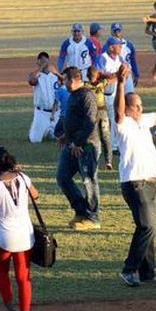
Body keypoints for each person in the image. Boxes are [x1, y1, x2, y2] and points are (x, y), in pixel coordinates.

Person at [114, 63, 156, 286]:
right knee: (146, 226)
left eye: (141, 106)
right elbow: (118, 111)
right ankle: (129, 270)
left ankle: (148, 273)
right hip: (134, 183)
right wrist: (121, 84)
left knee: (150, 228)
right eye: (137, 106)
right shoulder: (123, 124)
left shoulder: (145, 120)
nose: (140, 109)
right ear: (129, 108)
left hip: (150, 182)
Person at [0, 147, 39, 311]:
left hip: (2, 238)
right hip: (25, 236)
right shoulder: (23, 178)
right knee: (23, 277)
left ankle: (10, 310)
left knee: (3, 274)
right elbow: (36, 195)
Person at [56, 66, 101, 230]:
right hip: (71, 144)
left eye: (65, 79)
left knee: (89, 180)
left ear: (73, 79)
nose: (63, 82)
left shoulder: (87, 95)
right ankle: (81, 211)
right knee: (62, 177)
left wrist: (78, 143)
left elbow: (90, 122)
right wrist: (66, 137)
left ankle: (93, 217)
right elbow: (73, 118)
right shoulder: (73, 95)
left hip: (86, 146)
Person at [28, 52, 60, 143]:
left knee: (61, 137)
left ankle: (50, 130)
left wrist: (56, 73)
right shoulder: (36, 75)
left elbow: (65, 82)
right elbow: (31, 80)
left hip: (56, 112)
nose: (44, 63)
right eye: (41, 61)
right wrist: (42, 67)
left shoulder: (55, 75)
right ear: (37, 62)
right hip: (41, 113)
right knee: (35, 140)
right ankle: (45, 129)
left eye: (45, 61)